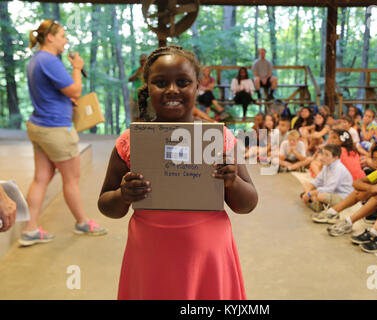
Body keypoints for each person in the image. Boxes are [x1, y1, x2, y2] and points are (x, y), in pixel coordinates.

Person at [97, 45, 258, 300]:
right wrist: (123, 195)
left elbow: (247, 204)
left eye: (182, 82)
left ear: (197, 87)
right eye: (160, 82)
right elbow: (106, 205)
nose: (172, 90)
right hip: (150, 254)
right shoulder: (132, 142)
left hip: (208, 256)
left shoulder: (218, 139)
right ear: (148, 88)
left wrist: (232, 181)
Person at [22, 20, 107, 247]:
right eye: (62, 35)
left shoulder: (36, 60)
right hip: (56, 128)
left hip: (39, 125)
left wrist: (64, 98)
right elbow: (75, 90)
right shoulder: (49, 60)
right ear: (50, 38)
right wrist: (77, 68)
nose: (65, 40)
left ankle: (30, 229)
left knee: (41, 178)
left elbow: (52, 92)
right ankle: (82, 222)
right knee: (72, 179)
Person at [301, 144, 354, 213]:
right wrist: (308, 192)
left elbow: (330, 188)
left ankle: (317, 203)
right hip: (332, 192)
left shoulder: (338, 168)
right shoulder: (327, 165)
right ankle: (317, 203)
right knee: (306, 184)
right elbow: (318, 180)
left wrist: (309, 194)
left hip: (343, 196)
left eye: (327, 155)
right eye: (322, 154)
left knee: (320, 196)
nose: (322, 157)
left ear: (335, 158)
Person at [128, 53, 148, 122]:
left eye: (144, 61)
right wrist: (137, 73)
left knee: (149, 116)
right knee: (137, 116)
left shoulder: (150, 70)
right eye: (141, 61)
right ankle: (138, 131)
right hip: (137, 96)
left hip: (148, 97)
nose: (142, 62)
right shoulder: (136, 69)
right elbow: (129, 79)